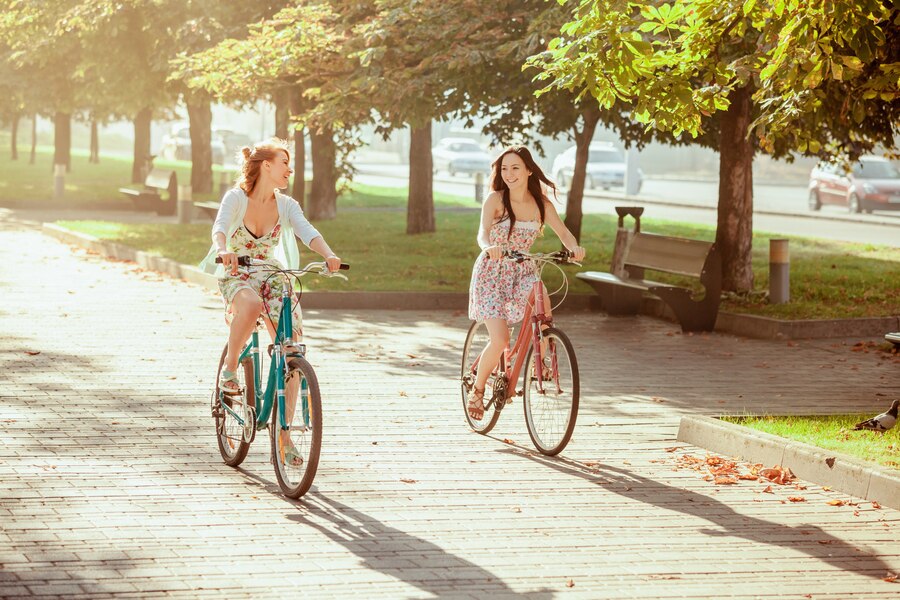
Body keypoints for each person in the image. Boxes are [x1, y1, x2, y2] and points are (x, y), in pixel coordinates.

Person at [199, 138, 341, 465]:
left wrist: (329, 255)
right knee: (248, 306)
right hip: (236, 271)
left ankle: (284, 436)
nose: (289, 169)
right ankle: (230, 369)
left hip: (270, 275)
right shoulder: (236, 198)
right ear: (266, 165)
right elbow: (219, 229)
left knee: (291, 350)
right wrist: (224, 251)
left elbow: (307, 231)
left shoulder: (286, 205)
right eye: (284, 162)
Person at [466, 146, 586, 420]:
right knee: (500, 340)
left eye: (515, 168)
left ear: (529, 170)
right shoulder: (496, 199)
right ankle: (478, 389)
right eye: (504, 169)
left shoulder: (541, 204)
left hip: (522, 271)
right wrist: (488, 247)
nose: (509, 174)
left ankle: (540, 359)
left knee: (541, 299)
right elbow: (482, 233)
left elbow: (565, 233)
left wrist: (574, 248)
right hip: (492, 274)